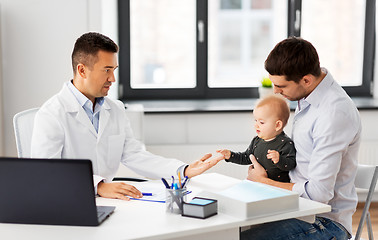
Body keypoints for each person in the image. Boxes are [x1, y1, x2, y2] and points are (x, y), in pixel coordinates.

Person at [31, 32, 223, 201]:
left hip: (108, 202)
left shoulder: (115, 109)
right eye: (106, 70)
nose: (112, 79)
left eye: (113, 70)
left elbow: (134, 155)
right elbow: (46, 173)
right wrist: (98, 186)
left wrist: (184, 170)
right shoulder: (51, 114)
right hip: (69, 201)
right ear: (82, 70)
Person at [241, 37, 361, 240]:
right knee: (227, 229)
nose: (276, 91)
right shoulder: (309, 95)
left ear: (306, 80)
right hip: (296, 208)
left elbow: (319, 194)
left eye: (281, 86)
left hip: (324, 221)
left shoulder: (333, 113)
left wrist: (263, 182)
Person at [217, 95, 296, 182]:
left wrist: (279, 160)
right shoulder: (256, 141)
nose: (256, 125)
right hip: (258, 184)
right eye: (256, 120)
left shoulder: (285, 143)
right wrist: (230, 155)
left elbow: (292, 164)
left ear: (277, 125)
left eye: (261, 122)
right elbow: (246, 157)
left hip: (278, 188)